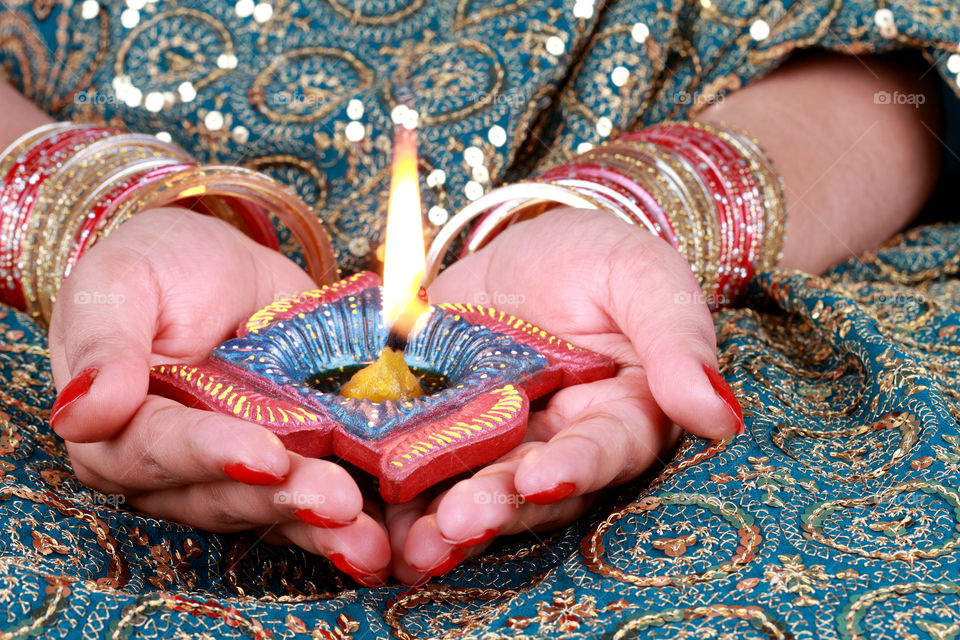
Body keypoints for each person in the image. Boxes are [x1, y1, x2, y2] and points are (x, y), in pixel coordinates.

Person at [0, 0, 957, 636]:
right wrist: (79, 215)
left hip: (713, 309)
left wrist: (648, 214)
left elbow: (909, 77)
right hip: (82, 341)